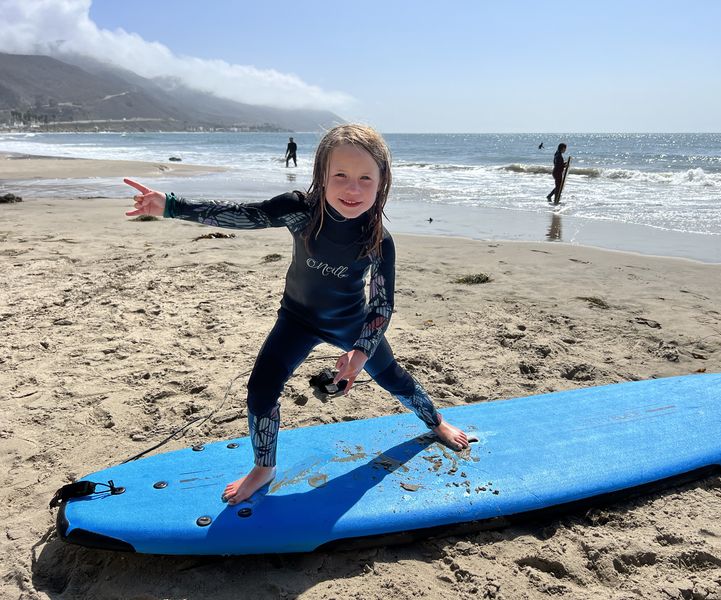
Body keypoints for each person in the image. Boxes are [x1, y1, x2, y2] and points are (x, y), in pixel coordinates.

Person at [123, 124, 470, 506]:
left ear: (382, 181)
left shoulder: (378, 240)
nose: (352, 189)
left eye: (365, 179)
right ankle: (264, 468)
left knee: (395, 380)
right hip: (296, 319)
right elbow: (242, 215)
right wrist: (171, 206)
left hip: (351, 323)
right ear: (321, 174)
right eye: (340, 175)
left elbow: (381, 305)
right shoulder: (299, 212)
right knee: (260, 391)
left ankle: (437, 423)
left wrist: (360, 352)